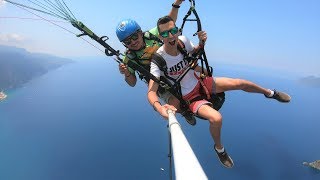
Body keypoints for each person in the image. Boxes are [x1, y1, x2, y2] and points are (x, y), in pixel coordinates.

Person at [147, 15, 291, 168]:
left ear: (177, 30)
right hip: (189, 97)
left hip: (201, 82)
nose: (170, 36)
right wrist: (159, 107)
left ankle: (270, 93)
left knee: (240, 82)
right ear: (160, 37)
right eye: (164, 33)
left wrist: (202, 42)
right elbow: (151, 91)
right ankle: (219, 149)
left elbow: (195, 51)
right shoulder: (158, 59)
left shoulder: (183, 41)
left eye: (173, 30)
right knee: (216, 118)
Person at [115, 0, 197, 125]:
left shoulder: (151, 35)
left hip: (174, 67)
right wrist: (126, 73)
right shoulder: (129, 57)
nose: (132, 42)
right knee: (176, 103)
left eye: (134, 37)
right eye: (127, 41)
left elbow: (169, 21)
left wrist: (177, 3)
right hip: (159, 82)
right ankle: (185, 111)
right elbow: (132, 83)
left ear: (140, 32)